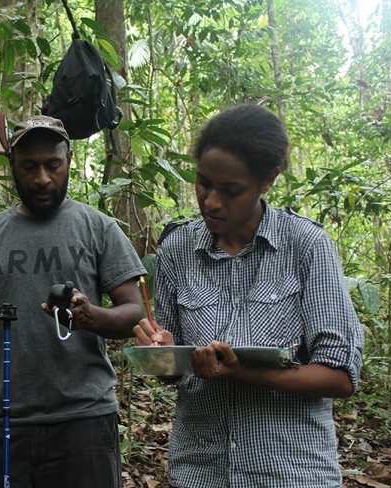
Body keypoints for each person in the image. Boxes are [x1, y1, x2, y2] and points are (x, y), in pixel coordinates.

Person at [133, 104, 364, 487]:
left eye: (231, 190)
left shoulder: (306, 246)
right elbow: (172, 369)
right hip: (199, 470)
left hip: (292, 471)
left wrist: (241, 371)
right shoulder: (177, 250)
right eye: (203, 182)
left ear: (267, 180)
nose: (211, 202)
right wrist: (161, 352)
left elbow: (339, 376)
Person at [0, 115, 147, 488]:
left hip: (84, 419)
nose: (42, 178)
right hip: (6, 421)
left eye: (53, 165)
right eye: (29, 166)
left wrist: (91, 317)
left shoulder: (98, 227)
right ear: (12, 164)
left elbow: (135, 314)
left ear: (69, 161)